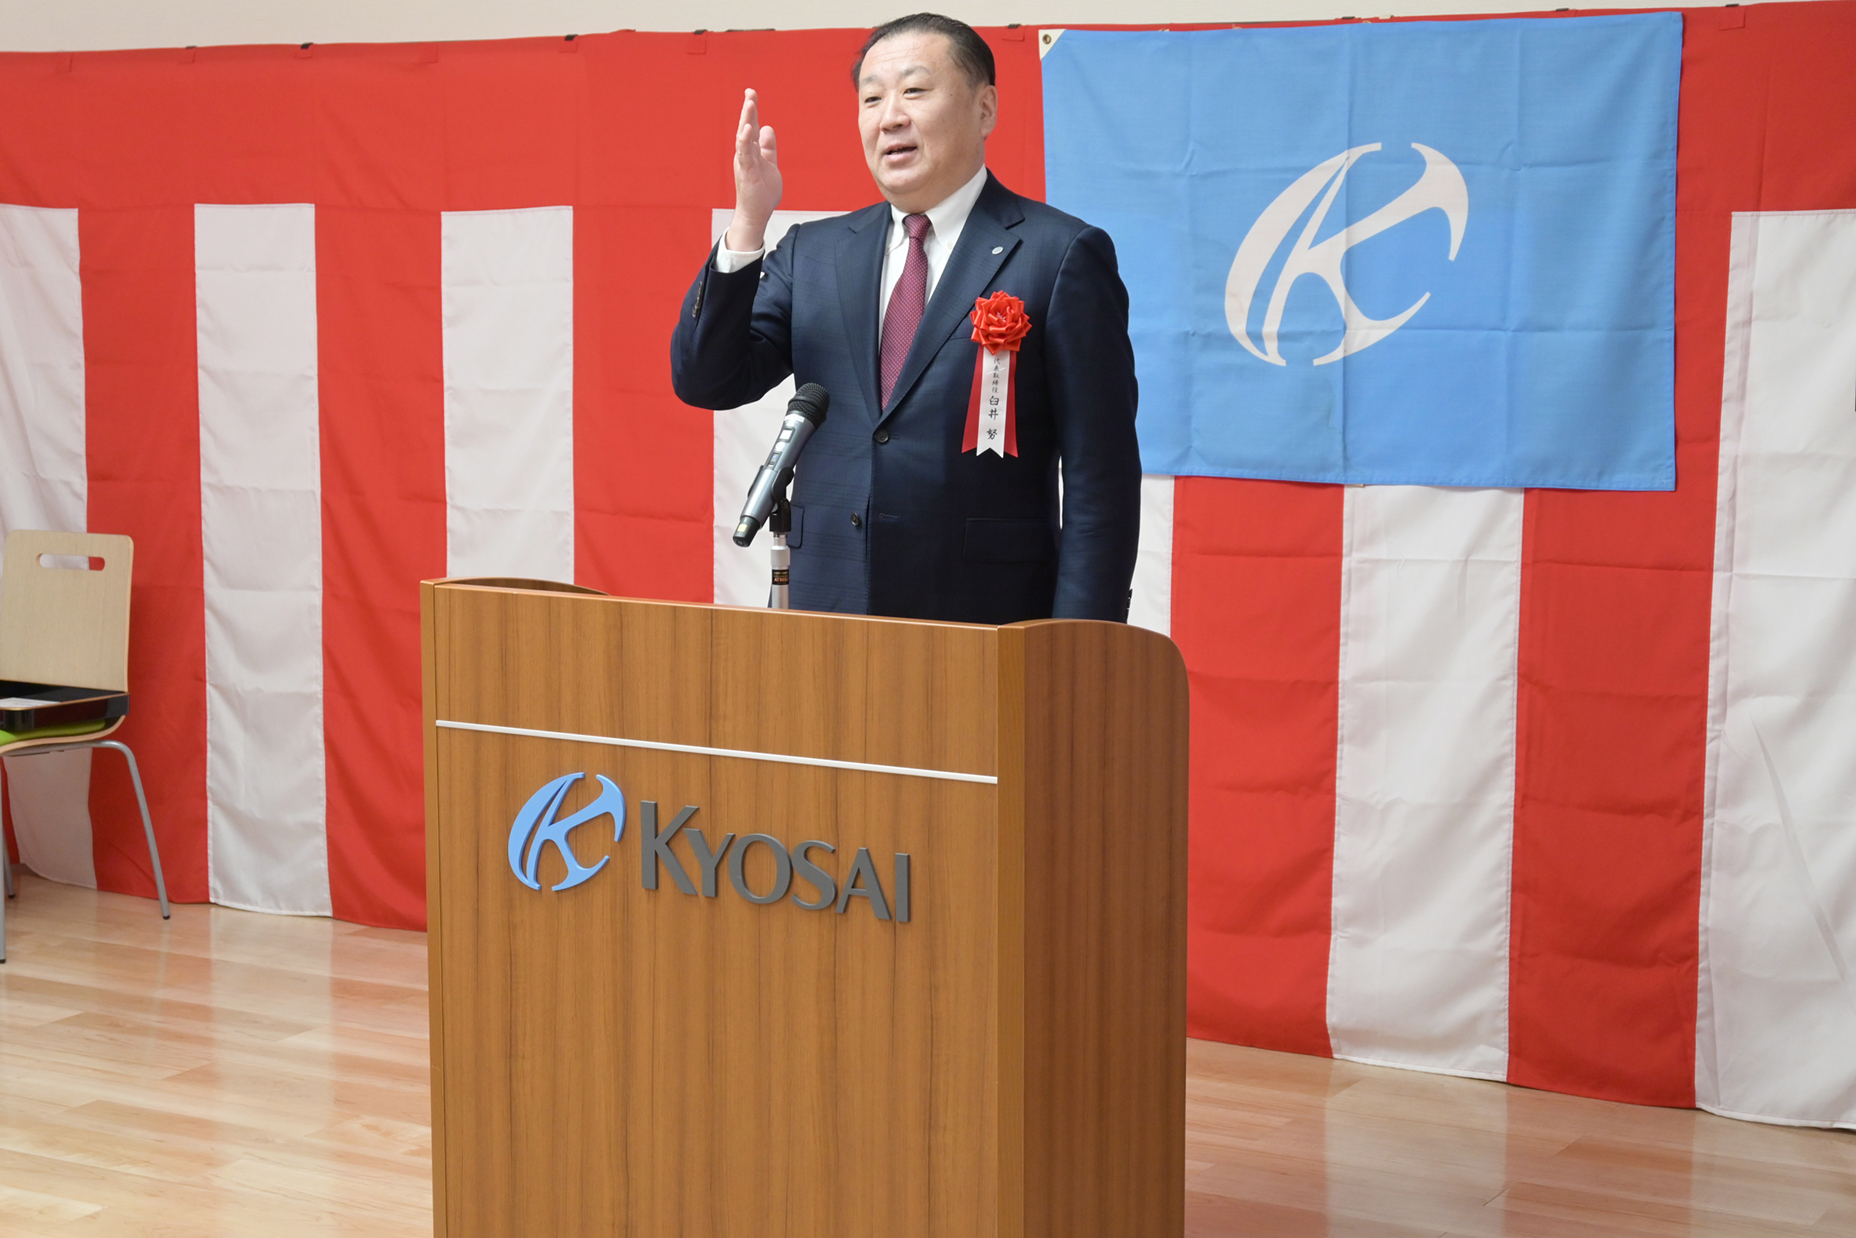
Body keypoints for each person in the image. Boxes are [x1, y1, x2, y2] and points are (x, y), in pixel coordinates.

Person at [671, 12, 1141, 625]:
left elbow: (1101, 477)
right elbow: (707, 380)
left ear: (985, 109)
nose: (890, 116)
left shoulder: (1059, 255)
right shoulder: (814, 253)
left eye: (915, 90)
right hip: (824, 613)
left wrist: (1080, 642)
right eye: (872, 99)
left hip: (985, 623)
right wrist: (747, 224)